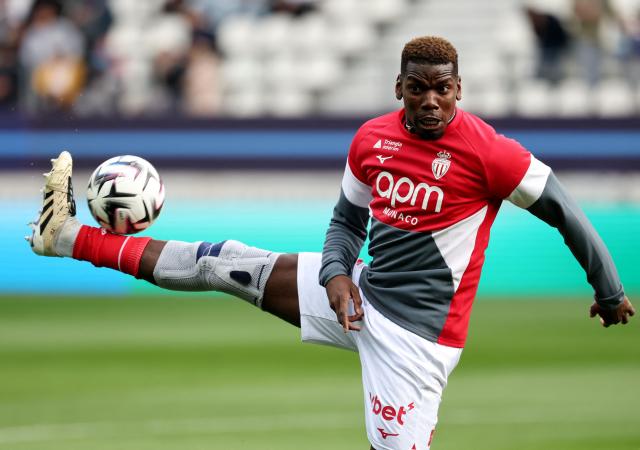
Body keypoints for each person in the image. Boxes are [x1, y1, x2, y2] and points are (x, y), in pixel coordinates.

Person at [27, 36, 635, 450]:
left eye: (442, 89)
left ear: (459, 90)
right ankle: (66, 237)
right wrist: (337, 275)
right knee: (223, 262)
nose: (430, 100)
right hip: (358, 295)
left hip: (416, 344)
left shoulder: (490, 154)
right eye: (418, 87)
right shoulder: (372, 140)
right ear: (399, 86)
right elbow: (346, 222)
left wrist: (608, 290)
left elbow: (566, 212)